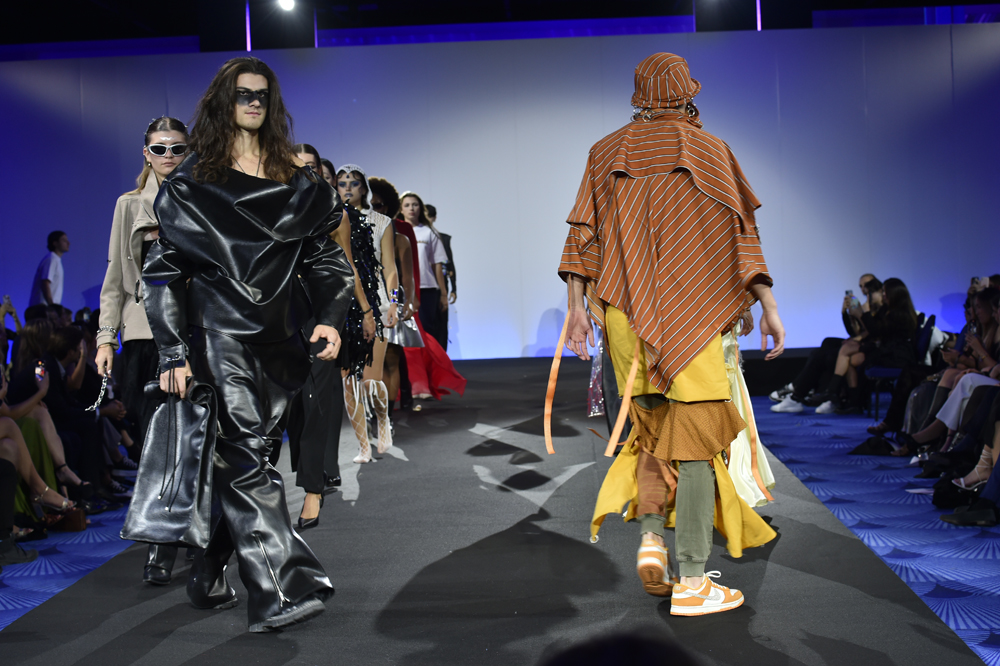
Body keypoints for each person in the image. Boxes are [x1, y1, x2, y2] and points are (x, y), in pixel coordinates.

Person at [560, 53, 783, 615]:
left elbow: (582, 238)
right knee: (698, 444)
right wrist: (766, 305)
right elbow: (742, 235)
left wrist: (576, 309)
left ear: (639, 94)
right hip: (694, 315)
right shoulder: (711, 151)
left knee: (650, 433)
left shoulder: (605, 152)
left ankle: (652, 539)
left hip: (627, 318)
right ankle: (694, 582)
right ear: (687, 93)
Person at [143, 56, 355, 633]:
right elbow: (163, 272)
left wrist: (331, 317)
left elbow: (325, 258)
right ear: (223, 101)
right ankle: (279, 588)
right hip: (220, 334)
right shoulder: (194, 182)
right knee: (243, 455)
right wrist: (172, 353)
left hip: (281, 339)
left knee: (250, 461)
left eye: (262, 94)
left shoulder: (296, 180)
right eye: (243, 94)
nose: (254, 102)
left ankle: (208, 570)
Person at [95, 116, 189, 586]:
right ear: (146, 153)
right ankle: (160, 543)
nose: (168, 156)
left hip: (195, 333)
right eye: (159, 148)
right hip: (144, 337)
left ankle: (197, 535)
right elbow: (115, 277)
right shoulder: (129, 205)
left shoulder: (203, 201)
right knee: (158, 445)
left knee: (198, 440)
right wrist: (104, 337)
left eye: (177, 148)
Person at [336, 164, 399, 463]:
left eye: (354, 183)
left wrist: (395, 302)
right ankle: (363, 445)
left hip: (377, 303)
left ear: (364, 188)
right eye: (342, 183)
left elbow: (390, 267)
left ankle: (383, 421)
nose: (348, 188)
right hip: (342, 305)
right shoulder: (331, 218)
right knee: (349, 381)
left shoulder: (381, 221)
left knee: (370, 382)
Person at [399, 192, 449, 353]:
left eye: (415, 205)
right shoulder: (395, 230)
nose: (411, 208)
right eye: (407, 205)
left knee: (427, 329)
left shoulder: (429, 232)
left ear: (420, 208)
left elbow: (437, 264)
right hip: (402, 288)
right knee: (404, 330)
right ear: (401, 209)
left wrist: (443, 293)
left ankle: (428, 363)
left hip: (426, 288)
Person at [425, 204, 456, 350]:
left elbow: (449, 264)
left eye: (429, 216)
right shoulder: (415, 235)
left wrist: (453, 289)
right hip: (424, 285)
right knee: (427, 322)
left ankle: (442, 356)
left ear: (434, 218)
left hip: (441, 283)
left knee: (442, 322)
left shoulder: (442, 238)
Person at [28, 231, 70, 307]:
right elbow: (45, 282)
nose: (68, 243)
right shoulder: (51, 259)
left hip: (47, 308)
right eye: (64, 240)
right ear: (55, 243)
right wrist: (51, 305)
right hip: (43, 308)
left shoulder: (56, 260)